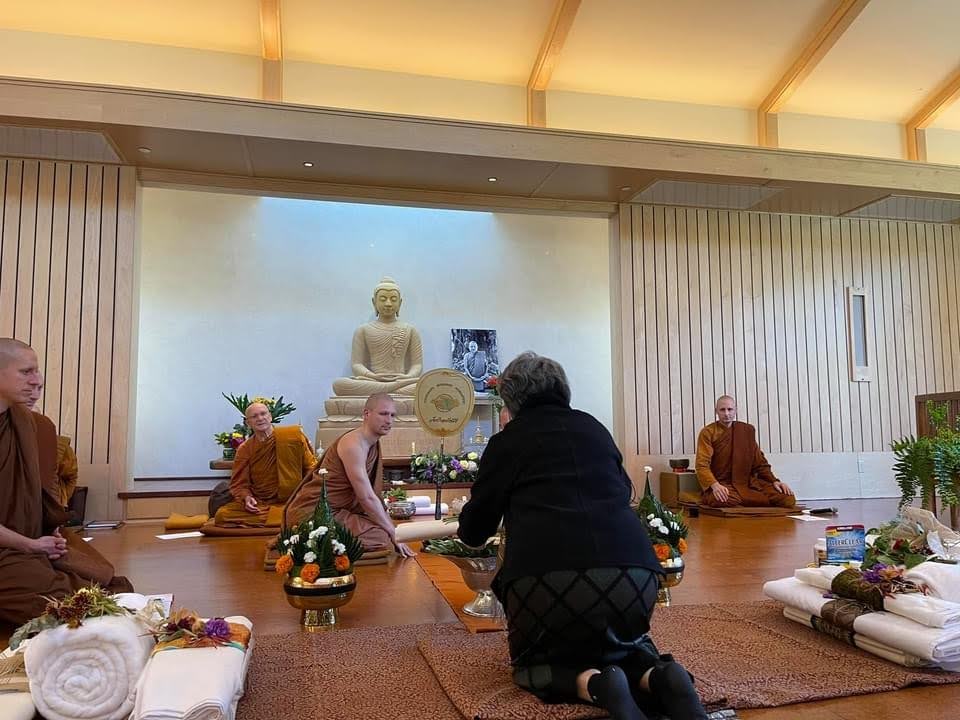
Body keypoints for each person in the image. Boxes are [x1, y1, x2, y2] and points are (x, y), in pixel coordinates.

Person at [457, 352, 707, 720]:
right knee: (627, 644)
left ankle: (597, 685)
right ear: (564, 390)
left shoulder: (507, 442)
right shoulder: (595, 429)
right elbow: (622, 492)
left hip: (545, 584)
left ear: (510, 401)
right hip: (634, 577)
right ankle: (660, 677)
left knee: (532, 664)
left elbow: (474, 533)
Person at [0, 338, 132, 625]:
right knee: (60, 599)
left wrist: (51, 532)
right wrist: (31, 546)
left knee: (105, 580)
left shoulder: (32, 424)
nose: (37, 380)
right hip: (15, 546)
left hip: (29, 540)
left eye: (37, 371)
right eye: (26, 372)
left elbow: (41, 496)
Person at [284, 393, 415, 558]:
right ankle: (307, 538)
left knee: (383, 528)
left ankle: (317, 540)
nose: (389, 420)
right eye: (383, 414)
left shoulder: (371, 444)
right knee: (381, 536)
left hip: (340, 511)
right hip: (316, 511)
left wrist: (390, 529)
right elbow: (366, 497)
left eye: (392, 415)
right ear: (366, 414)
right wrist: (394, 533)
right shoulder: (353, 444)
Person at [213, 402, 317, 527]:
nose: (260, 418)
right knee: (222, 515)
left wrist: (305, 495)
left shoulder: (293, 437)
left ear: (270, 416)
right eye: (254, 416)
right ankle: (287, 519)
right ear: (248, 423)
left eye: (263, 414)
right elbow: (239, 484)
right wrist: (247, 498)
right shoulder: (245, 449)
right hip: (261, 504)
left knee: (314, 508)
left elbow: (311, 469)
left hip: (294, 499)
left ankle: (286, 517)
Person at [695, 395, 795, 508]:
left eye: (730, 409)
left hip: (748, 483)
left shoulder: (746, 431)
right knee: (722, 498)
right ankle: (751, 501)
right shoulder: (708, 432)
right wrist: (714, 485)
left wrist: (774, 481)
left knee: (787, 498)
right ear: (716, 411)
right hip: (723, 483)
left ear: (735, 410)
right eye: (722, 410)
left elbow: (760, 463)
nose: (726, 413)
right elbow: (701, 465)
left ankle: (743, 502)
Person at [331, 277, 424, 396]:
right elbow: (356, 365)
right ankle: (392, 389)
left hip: (402, 380)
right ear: (374, 302)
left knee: (425, 385)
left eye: (393, 299)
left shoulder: (410, 330)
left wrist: (408, 377)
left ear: (400, 303)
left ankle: (386, 389)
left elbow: (417, 365)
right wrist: (372, 376)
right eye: (383, 299)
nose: (388, 304)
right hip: (373, 380)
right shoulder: (363, 330)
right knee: (339, 384)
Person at [23, 376, 79, 508]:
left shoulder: (58, 443)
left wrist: (60, 500)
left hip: (47, 506)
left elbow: (71, 476)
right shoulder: (10, 437)